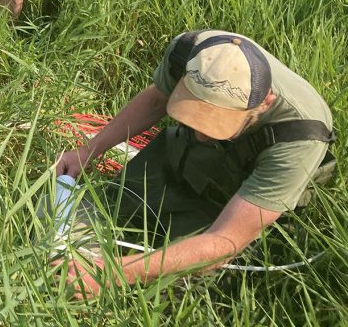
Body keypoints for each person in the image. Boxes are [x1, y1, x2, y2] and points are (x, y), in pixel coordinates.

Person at [56, 30, 334, 297]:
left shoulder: (298, 138)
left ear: (265, 102)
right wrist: (89, 150)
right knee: (102, 209)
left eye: (216, 124)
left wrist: (114, 274)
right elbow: (155, 100)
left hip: (243, 191)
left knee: (181, 283)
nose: (201, 135)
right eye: (194, 115)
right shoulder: (192, 53)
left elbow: (224, 242)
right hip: (178, 154)